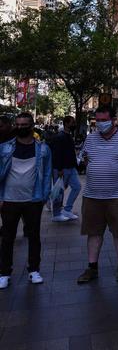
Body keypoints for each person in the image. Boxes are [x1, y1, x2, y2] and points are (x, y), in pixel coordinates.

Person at [76, 105, 118, 284]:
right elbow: (86, 158)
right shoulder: (90, 139)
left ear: (113, 120)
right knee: (93, 232)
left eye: (104, 120)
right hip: (93, 196)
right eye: (97, 120)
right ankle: (92, 268)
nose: (100, 124)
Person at [0, 112, 52, 288]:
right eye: (18, 124)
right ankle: (4, 272)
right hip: (9, 200)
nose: (20, 127)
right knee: (7, 237)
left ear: (32, 126)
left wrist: (44, 196)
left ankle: (33, 270)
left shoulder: (43, 149)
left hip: (33, 199)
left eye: (24, 125)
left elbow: (46, 174)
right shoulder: (5, 148)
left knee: (34, 236)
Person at [50, 115, 82, 222]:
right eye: (72, 122)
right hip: (62, 168)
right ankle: (56, 213)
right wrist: (59, 169)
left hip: (71, 167)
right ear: (66, 123)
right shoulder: (60, 137)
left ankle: (67, 210)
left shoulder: (69, 136)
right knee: (59, 191)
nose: (74, 124)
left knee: (77, 187)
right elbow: (57, 154)